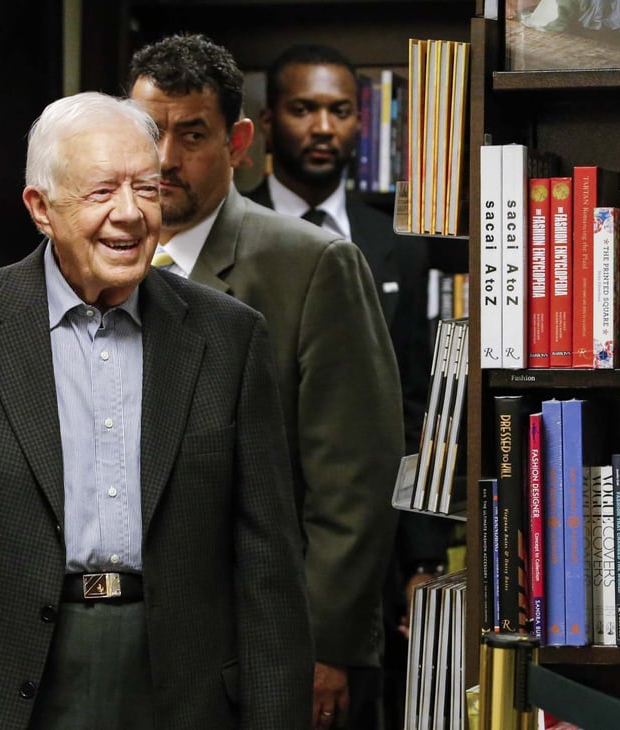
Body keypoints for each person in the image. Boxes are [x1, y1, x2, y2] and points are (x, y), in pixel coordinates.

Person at [0, 91, 313, 730]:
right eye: (101, 191)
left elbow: (268, 567)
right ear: (41, 209)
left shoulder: (228, 338)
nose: (131, 214)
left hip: (178, 687)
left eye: (146, 188)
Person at [128, 33, 403, 730]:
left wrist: (327, 646)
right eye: (147, 133)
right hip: (128, 647)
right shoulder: (95, 260)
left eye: (191, 135)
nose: (164, 159)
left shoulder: (312, 264)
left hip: (267, 643)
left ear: (239, 141)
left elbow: (354, 479)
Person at [244, 43, 454, 729]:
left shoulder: (395, 236)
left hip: (372, 541)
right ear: (270, 122)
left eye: (339, 111)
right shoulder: (228, 229)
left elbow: (418, 405)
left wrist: (423, 555)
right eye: (304, 109)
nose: (323, 127)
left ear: (362, 124)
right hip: (253, 526)